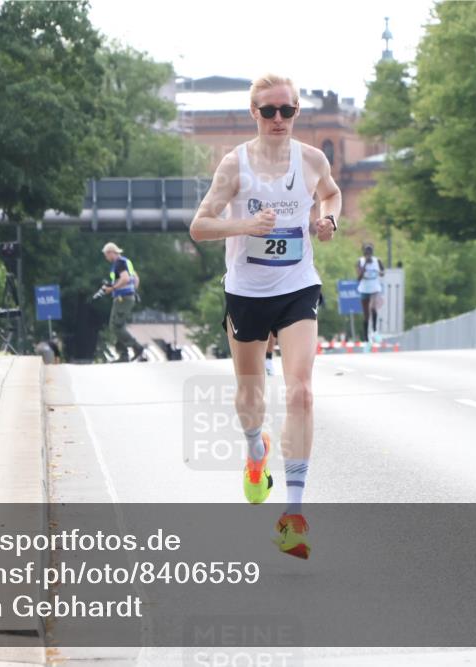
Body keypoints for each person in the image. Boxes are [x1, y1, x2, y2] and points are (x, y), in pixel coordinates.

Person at [190, 73, 340, 559]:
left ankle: (293, 516)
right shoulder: (235, 166)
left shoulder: (312, 159)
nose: (279, 119)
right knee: (251, 396)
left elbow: (331, 192)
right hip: (247, 293)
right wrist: (245, 225)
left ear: (297, 112)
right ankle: (256, 450)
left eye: (287, 111)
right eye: (269, 111)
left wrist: (327, 219)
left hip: (297, 285)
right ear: (254, 113)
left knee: (300, 390)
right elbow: (200, 226)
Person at [100, 242, 145, 362]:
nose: (106, 258)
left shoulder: (118, 263)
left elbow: (125, 278)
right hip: (127, 297)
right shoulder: (126, 261)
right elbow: (135, 278)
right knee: (116, 325)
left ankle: (136, 347)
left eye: (106, 255)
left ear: (111, 252)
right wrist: (132, 290)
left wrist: (112, 288)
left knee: (116, 325)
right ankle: (123, 354)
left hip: (123, 298)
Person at [356, 243, 385, 341]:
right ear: (364, 253)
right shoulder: (360, 261)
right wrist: (365, 265)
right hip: (364, 289)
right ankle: (366, 337)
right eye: (366, 253)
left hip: (375, 289)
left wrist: (380, 272)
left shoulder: (378, 261)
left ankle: (374, 330)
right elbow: (359, 278)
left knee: (373, 307)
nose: (368, 254)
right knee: (366, 314)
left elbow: (383, 272)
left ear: (372, 252)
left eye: (370, 252)